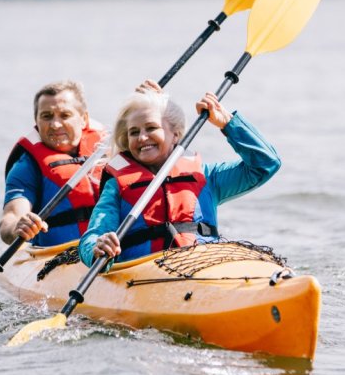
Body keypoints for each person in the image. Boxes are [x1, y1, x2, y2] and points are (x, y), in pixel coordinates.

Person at [78, 82, 281, 266]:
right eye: (134, 132)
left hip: (205, 267)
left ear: (175, 134)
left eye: (151, 128)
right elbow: (92, 236)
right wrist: (97, 247)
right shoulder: (117, 186)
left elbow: (265, 164)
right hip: (143, 276)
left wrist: (227, 123)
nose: (142, 137)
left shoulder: (206, 177)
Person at [0, 80, 107, 247]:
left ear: (84, 119)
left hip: (112, 250)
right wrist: (17, 227)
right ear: (36, 120)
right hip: (59, 256)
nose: (55, 125)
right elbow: (10, 218)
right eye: (46, 116)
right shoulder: (26, 167)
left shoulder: (109, 150)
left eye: (65, 115)